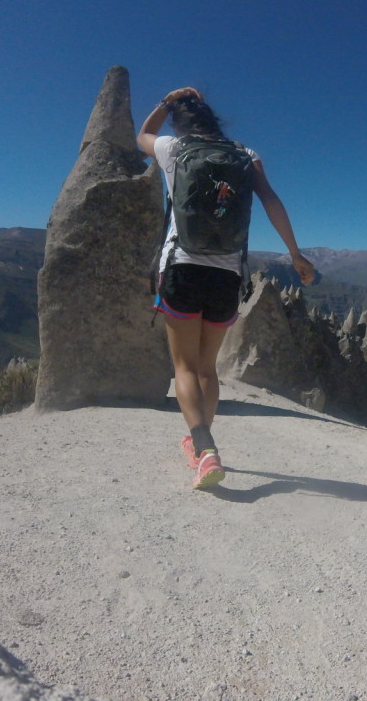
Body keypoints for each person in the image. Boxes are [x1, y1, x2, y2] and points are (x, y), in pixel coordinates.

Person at [138, 87, 314, 489]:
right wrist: (295, 253)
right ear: (214, 120)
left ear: (179, 124)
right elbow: (270, 200)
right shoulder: (245, 154)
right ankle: (202, 445)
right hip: (227, 275)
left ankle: (204, 448)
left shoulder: (173, 148)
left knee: (183, 366)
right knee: (206, 367)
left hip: (182, 268)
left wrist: (165, 102)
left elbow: (141, 135)